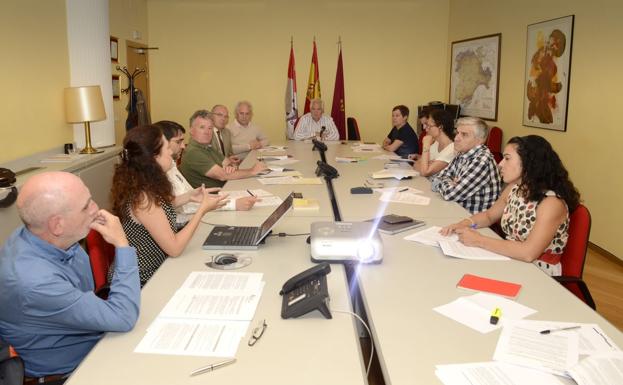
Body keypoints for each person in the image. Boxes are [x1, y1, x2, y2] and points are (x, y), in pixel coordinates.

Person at [0, 171, 140, 381]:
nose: (96, 209)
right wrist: (122, 244)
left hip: (97, 342)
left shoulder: (48, 237)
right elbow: (123, 318)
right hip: (71, 373)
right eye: (86, 206)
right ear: (57, 225)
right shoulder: (35, 282)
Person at [441, 135, 580, 276]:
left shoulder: (551, 203)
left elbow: (528, 253)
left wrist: (479, 240)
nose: (500, 164)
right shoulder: (514, 188)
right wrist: (465, 223)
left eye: (507, 158)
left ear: (529, 163)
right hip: (510, 260)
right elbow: (489, 216)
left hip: (538, 273)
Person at [111, 125, 227, 286]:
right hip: (144, 280)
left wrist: (189, 197)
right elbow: (174, 248)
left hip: (159, 268)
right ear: (153, 157)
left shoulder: (141, 182)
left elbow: (159, 209)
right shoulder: (144, 197)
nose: (171, 152)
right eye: (166, 148)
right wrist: (202, 211)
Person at [155, 120, 257, 227]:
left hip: (199, 211)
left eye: (210, 128)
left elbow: (188, 198)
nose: (183, 146)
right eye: (178, 142)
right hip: (186, 223)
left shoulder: (173, 163)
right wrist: (233, 204)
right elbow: (185, 209)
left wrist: (231, 167)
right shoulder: (188, 155)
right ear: (161, 144)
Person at [179, 110, 268, 189]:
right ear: (191, 130)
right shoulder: (193, 152)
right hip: (213, 198)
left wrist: (230, 167)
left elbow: (229, 162)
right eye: (202, 127)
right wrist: (252, 171)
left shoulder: (207, 147)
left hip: (227, 187)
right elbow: (223, 176)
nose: (207, 132)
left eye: (210, 128)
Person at [430, 116, 501, 213]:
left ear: (479, 140)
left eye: (464, 135)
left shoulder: (482, 161)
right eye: (457, 133)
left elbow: (451, 194)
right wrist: (449, 182)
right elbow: (437, 178)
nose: (456, 138)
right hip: (455, 210)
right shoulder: (463, 153)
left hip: (473, 220)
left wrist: (445, 183)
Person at [411, 109, 456, 177]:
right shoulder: (435, 143)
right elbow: (416, 164)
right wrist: (427, 164)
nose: (426, 129)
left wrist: (426, 145)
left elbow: (425, 172)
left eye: (429, 126)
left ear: (440, 127)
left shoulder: (451, 149)